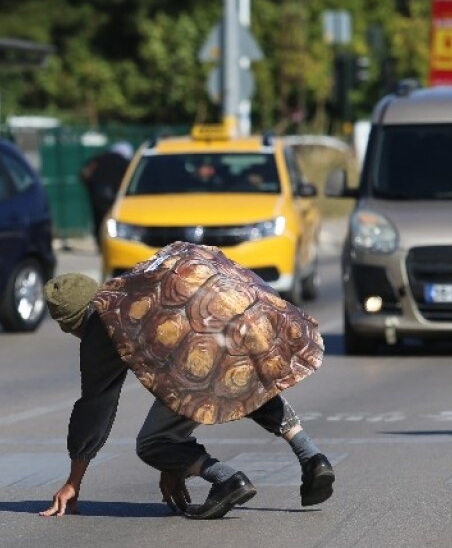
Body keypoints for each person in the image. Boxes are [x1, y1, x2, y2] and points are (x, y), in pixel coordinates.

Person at [38, 271, 336, 520]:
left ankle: (227, 479)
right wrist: (174, 466)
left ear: (73, 323)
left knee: (153, 443)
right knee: (245, 377)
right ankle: (312, 456)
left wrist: (73, 482)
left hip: (197, 364)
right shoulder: (131, 288)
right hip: (233, 326)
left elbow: (95, 407)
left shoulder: (100, 327)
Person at [78, 142, 133, 246]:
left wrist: (91, 188)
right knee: (114, 220)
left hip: (97, 194)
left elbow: (84, 174)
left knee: (99, 220)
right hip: (116, 196)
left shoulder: (98, 159)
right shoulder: (124, 162)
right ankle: (113, 243)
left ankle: (100, 244)